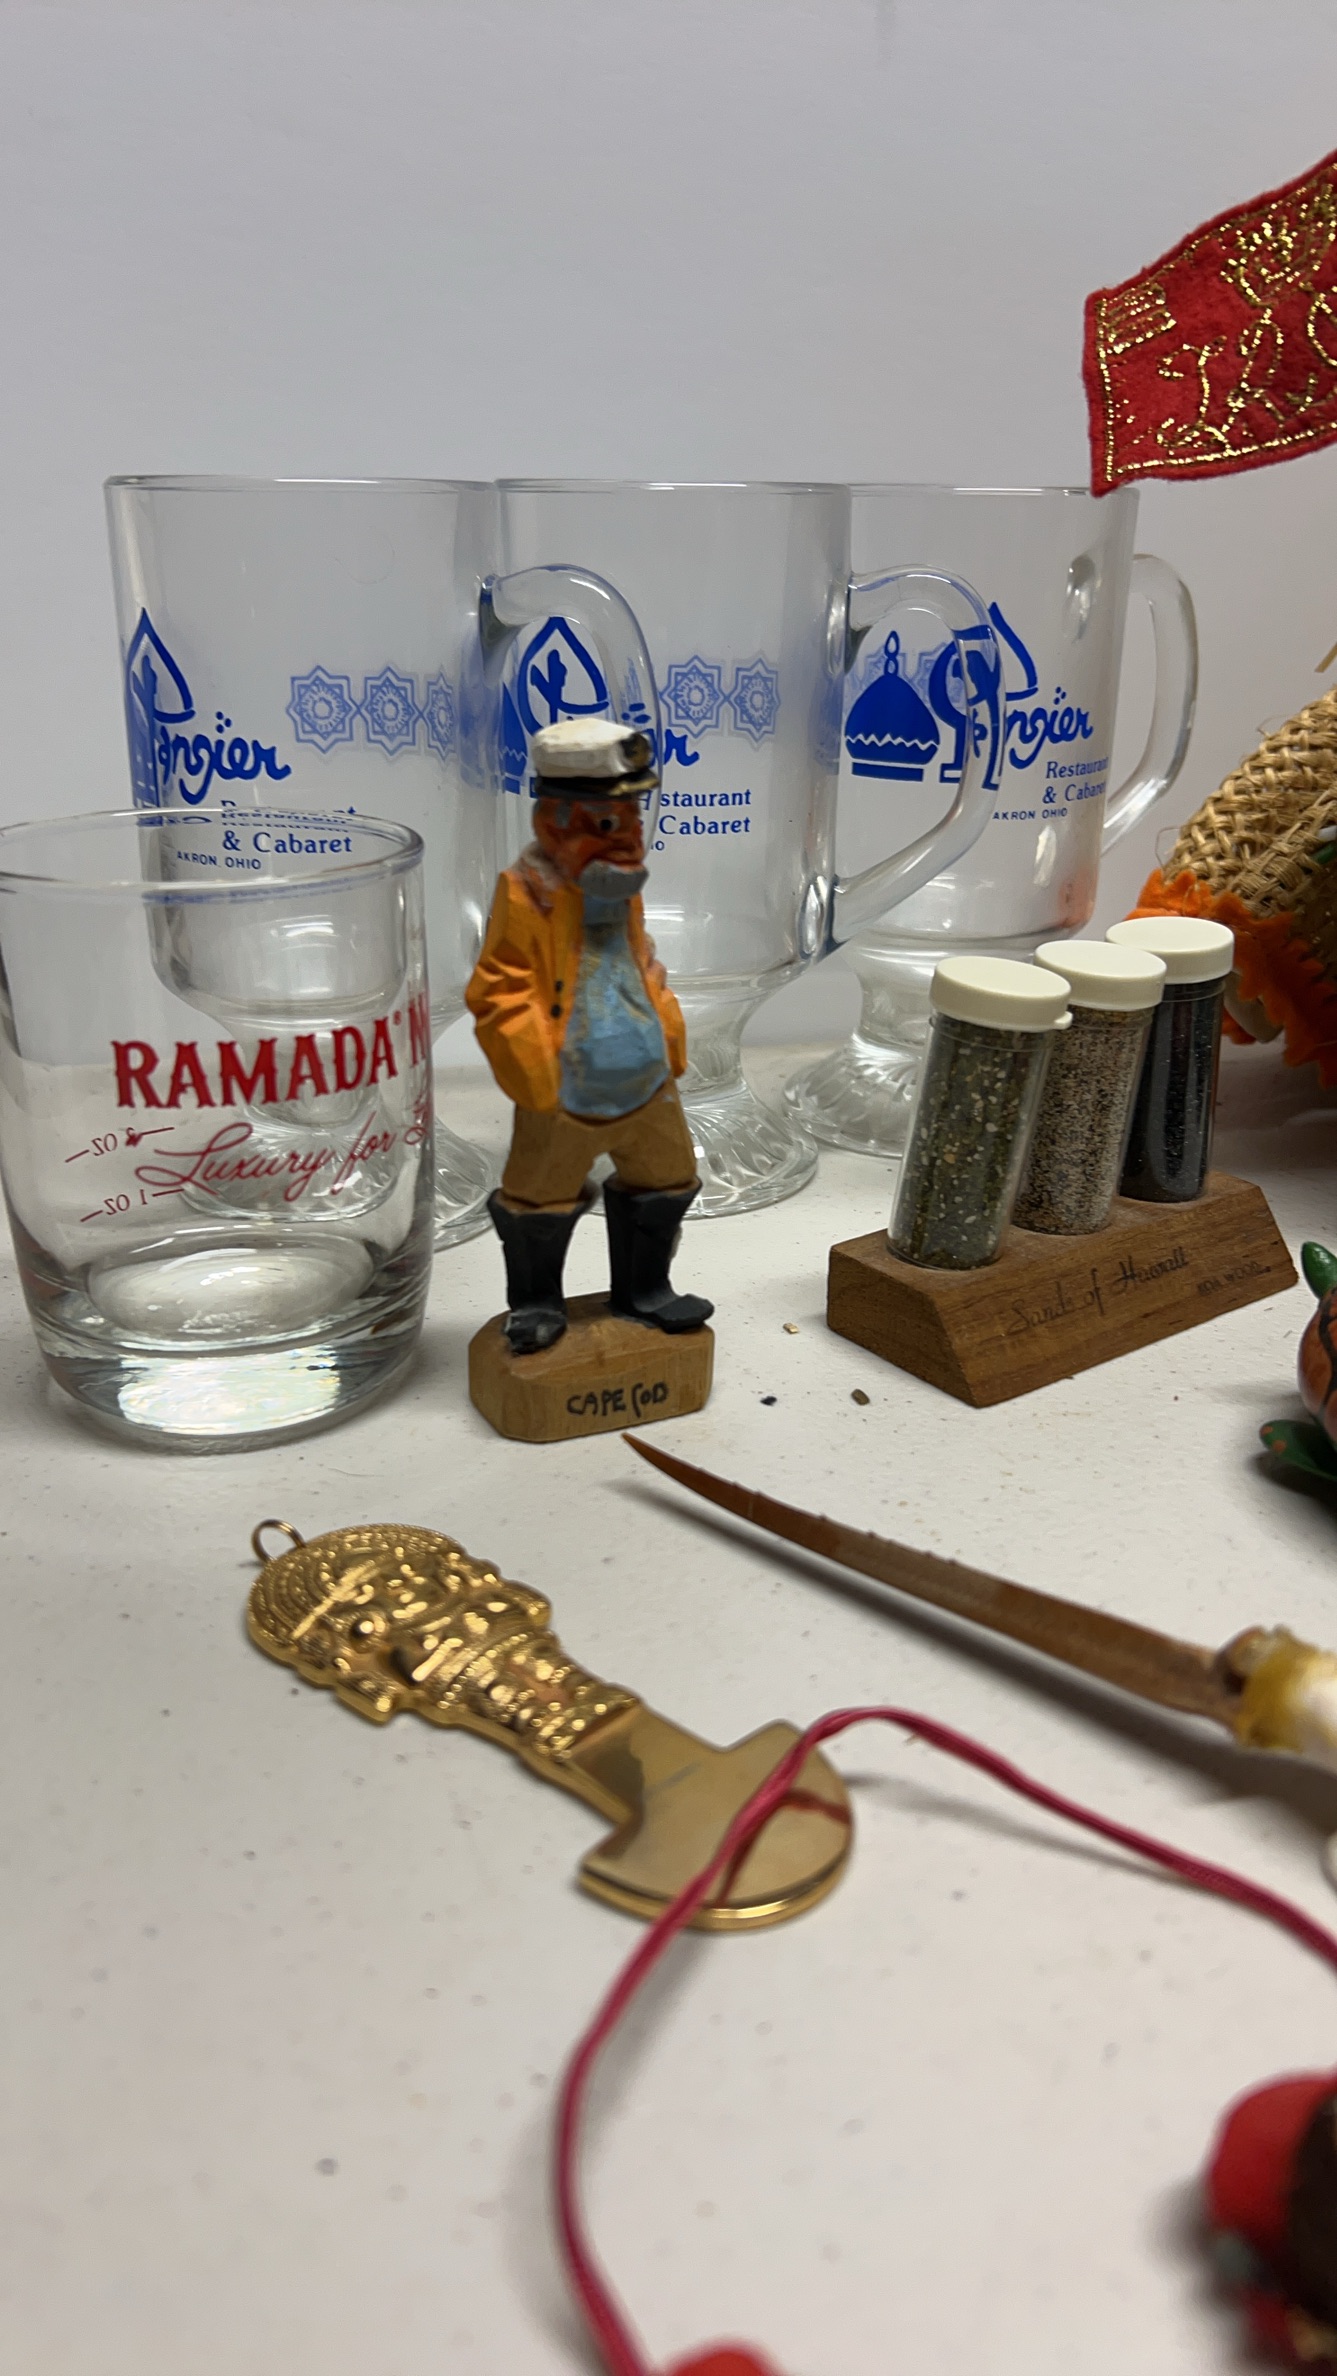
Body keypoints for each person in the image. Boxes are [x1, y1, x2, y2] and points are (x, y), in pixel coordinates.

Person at [467, 717, 713, 1354]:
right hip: (566, 1090)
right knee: (538, 1200)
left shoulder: (621, 885)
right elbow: (498, 988)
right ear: (553, 823)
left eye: (633, 819)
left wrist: (668, 1028)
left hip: (648, 1083)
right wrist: (537, 1075)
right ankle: (537, 1303)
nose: (629, 838)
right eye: (607, 823)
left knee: (666, 1182)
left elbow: (641, 960)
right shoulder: (525, 895)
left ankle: (645, 1290)